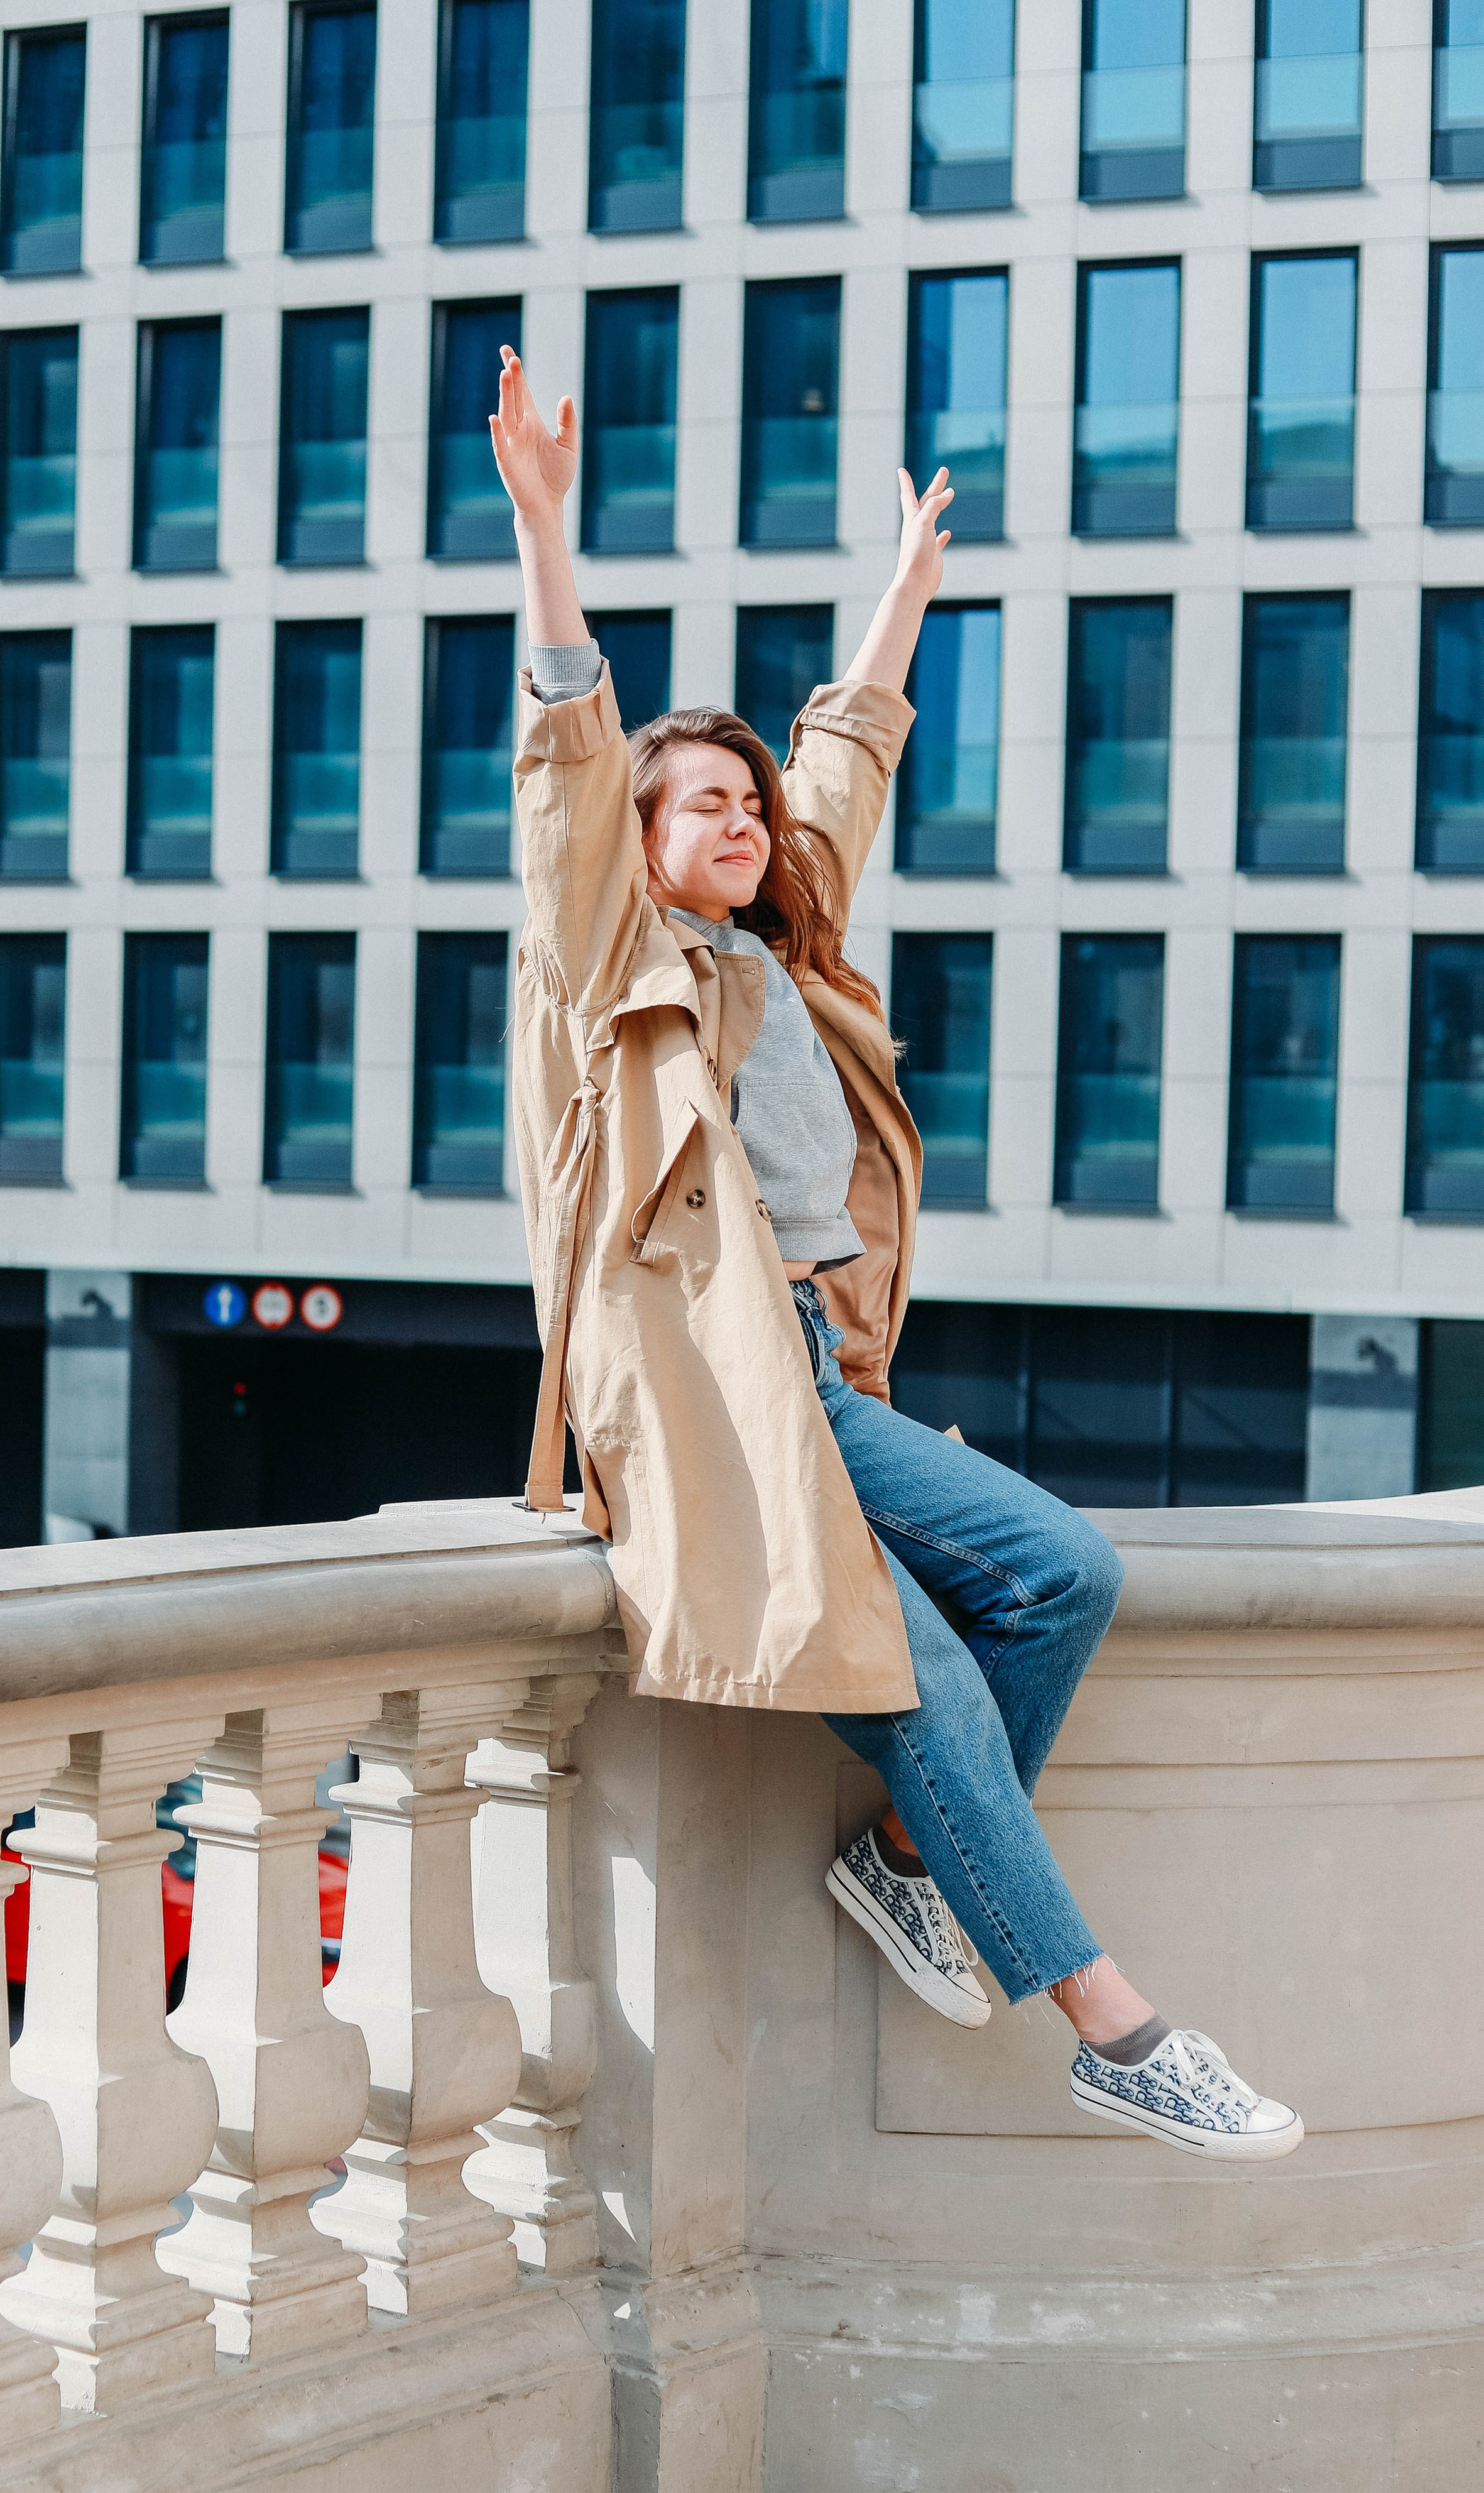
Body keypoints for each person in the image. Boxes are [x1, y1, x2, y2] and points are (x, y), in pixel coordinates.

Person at [492, 345, 1302, 2163]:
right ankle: (1115, 2024)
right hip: (715, 1401)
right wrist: (545, 527)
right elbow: (564, 759)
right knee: (922, 1668)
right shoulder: (606, 965)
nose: (742, 821)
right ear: (636, 838)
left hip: (824, 1379)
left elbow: (841, 759)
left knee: (1062, 1576)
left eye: (744, 806)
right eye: (700, 803)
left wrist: (907, 592)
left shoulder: (788, 951)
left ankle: (918, 1861)